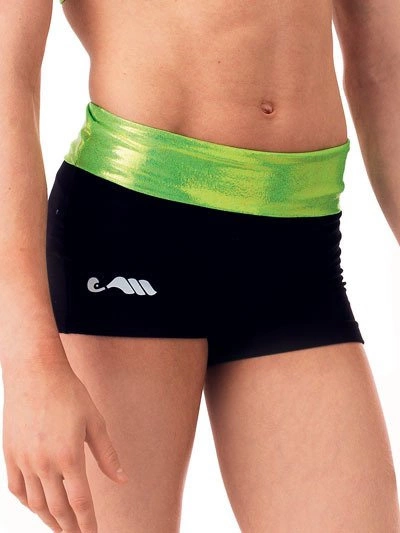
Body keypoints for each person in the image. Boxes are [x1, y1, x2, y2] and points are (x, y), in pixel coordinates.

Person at [1, 0, 399, 531]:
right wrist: (29, 368)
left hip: (299, 250)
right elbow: (8, 78)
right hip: (134, 235)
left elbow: (382, 70)